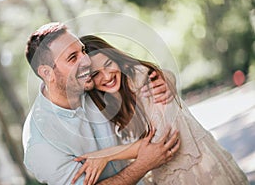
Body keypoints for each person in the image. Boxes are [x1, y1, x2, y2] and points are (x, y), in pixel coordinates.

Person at [71, 35, 249, 185]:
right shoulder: (110, 102)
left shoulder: (145, 80)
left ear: (117, 59)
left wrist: (106, 155)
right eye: (95, 74)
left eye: (108, 64)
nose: (107, 76)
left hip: (199, 171)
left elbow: (162, 142)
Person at [22, 22, 180, 185]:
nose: (86, 61)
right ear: (47, 73)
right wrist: (143, 165)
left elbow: (132, 75)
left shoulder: (89, 85)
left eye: (82, 51)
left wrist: (161, 79)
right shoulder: (40, 143)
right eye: (72, 58)